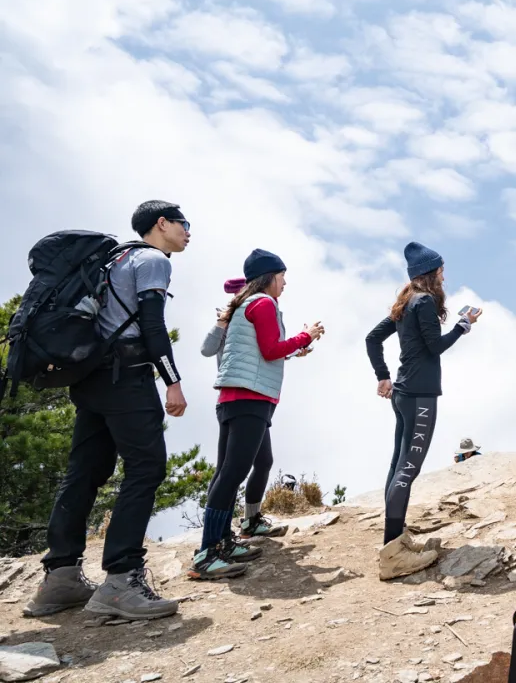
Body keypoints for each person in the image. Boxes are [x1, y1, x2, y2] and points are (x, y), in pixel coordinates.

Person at [25, 201, 190, 620]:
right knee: (146, 467)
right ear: (162, 224)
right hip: (127, 376)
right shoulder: (153, 260)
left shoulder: (114, 258)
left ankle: (60, 578)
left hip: (90, 376)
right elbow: (152, 325)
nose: (188, 232)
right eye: (184, 224)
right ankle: (121, 578)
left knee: (84, 471)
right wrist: (172, 379)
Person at [189, 250, 323, 581]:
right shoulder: (263, 303)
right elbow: (270, 349)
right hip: (249, 398)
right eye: (282, 276)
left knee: (239, 466)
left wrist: (293, 346)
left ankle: (223, 542)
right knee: (233, 472)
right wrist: (307, 334)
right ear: (269, 277)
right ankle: (208, 553)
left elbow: (260, 351)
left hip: (238, 398)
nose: (285, 282)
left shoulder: (243, 306)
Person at [365, 241, 479, 578]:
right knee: (407, 470)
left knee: (397, 465)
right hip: (420, 396)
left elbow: (372, 338)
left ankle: (395, 542)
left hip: (402, 393)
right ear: (430, 273)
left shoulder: (406, 301)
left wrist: (383, 377)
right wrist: (464, 325)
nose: (444, 275)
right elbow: (436, 346)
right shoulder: (425, 301)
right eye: (441, 270)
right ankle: (392, 556)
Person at [197, 278, 294, 556]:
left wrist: (295, 348)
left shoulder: (257, 312)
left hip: (254, 396)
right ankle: (213, 545)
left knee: (262, 461)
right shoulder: (238, 315)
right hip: (240, 397)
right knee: (230, 471)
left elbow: (269, 351)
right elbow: (206, 349)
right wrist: (220, 324)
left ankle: (248, 522)